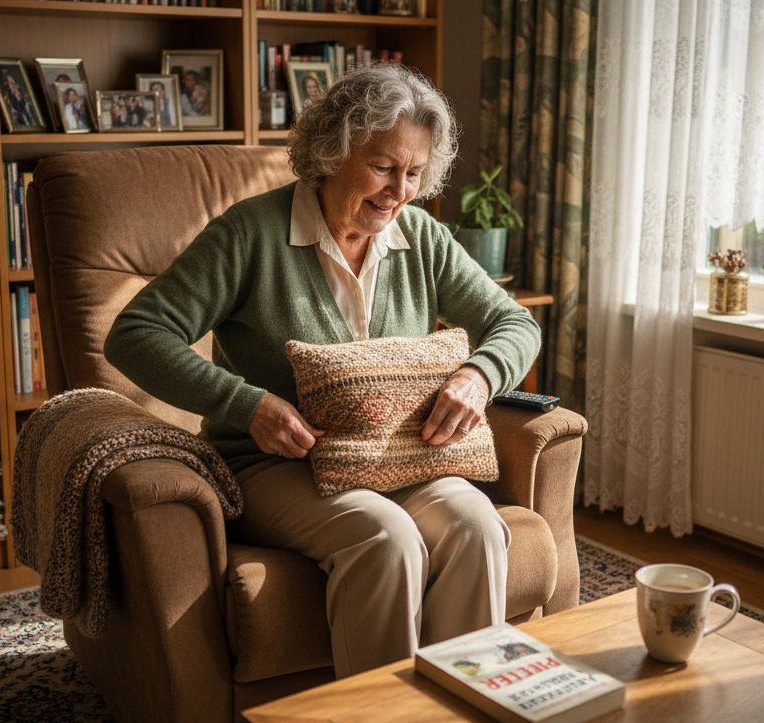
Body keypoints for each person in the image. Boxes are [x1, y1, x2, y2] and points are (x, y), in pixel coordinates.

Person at [104, 64, 539, 678]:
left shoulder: (422, 236)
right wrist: (246, 404)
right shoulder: (249, 235)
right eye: (384, 167)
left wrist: (479, 377)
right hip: (274, 466)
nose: (399, 191)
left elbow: (516, 324)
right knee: (384, 537)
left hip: (399, 459)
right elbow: (135, 334)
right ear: (333, 150)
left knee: (477, 526)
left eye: (414, 173)